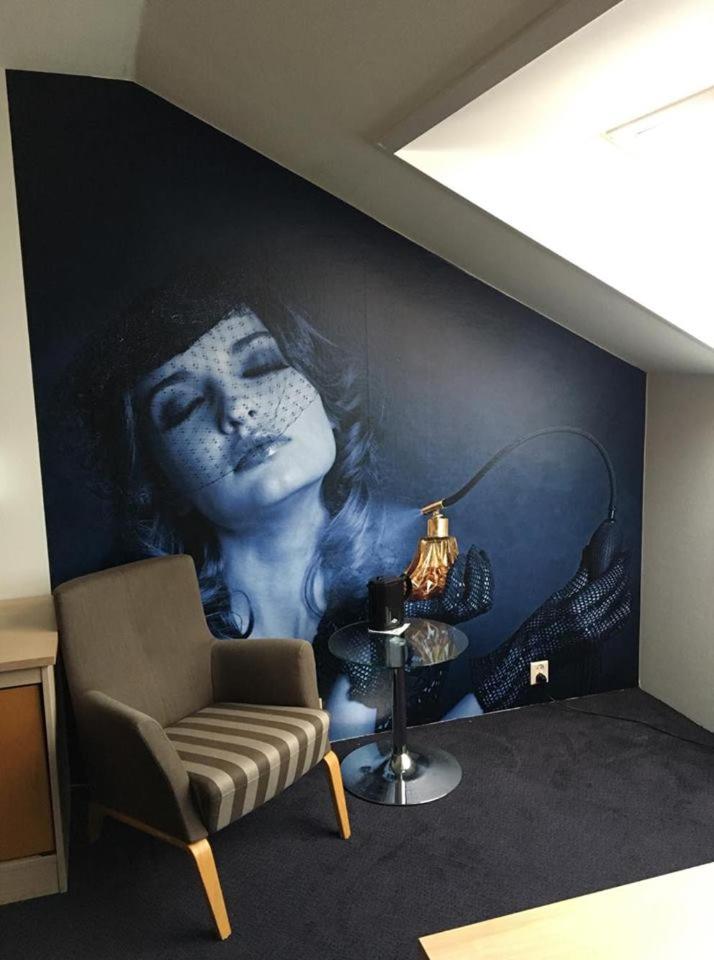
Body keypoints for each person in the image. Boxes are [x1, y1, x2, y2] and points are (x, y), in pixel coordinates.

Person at [67, 262, 631, 739]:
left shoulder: (410, 558)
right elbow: (328, 771)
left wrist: (530, 652)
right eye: (183, 407)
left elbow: (387, 764)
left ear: (326, 398)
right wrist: (483, 660)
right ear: (157, 479)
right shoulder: (156, 625)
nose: (236, 410)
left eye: (261, 366)